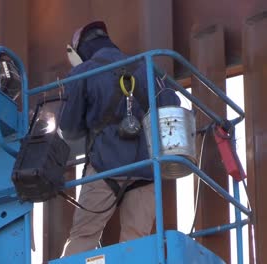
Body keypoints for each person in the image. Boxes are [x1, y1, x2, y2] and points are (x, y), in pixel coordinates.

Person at [59, 21, 181, 256]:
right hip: (146, 170)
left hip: (104, 169)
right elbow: (171, 109)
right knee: (136, 244)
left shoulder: (84, 72)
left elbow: (69, 129)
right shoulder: (148, 68)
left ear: (80, 50)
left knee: (84, 238)